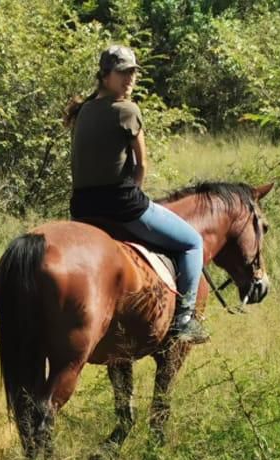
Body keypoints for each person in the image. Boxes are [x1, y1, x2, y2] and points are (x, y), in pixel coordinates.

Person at [67, 45, 208, 345]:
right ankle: (184, 320)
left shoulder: (83, 111)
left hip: (81, 208)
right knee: (193, 242)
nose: (130, 79)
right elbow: (141, 165)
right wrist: (136, 195)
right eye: (123, 73)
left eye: (133, 73)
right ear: (105, 76)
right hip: (121, 206)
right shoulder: (128, 111)